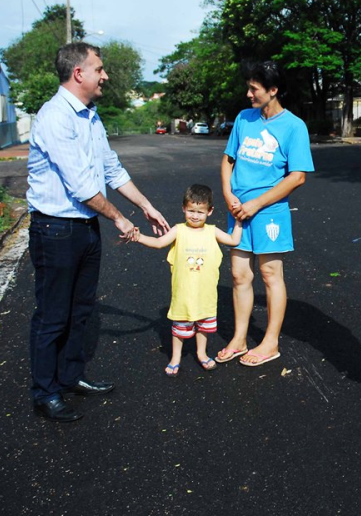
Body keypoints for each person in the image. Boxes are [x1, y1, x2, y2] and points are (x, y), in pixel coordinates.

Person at [27, 42, 170, 423]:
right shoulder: (55, 117)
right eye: (99, 69)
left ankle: (71, 377)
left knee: (81, 311)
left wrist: (146, 206)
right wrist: (120, 219)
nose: (105, 75)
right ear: (79, 73)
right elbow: (80, 187)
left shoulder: (90, 115)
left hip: (84, 228)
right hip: (55, 229)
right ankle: (45, 392)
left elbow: (112, 169)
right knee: (53, 315)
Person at [217, 61, 314, 367]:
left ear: (273, 91)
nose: (248, 94)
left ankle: (270, 342)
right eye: (248, 87)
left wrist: (256, 204)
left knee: (271, 275)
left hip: (268, 212)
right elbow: (227, 161)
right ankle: (239, 338)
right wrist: (228, 194)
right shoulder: (244, 119)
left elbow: (297, 176)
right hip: (238, 209)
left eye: (254, 89)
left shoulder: (294, 126)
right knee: (238, 275)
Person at [132, 184, 242, 377]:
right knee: (179, 329)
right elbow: (158, 243)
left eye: (200, 212)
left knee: (204, 326)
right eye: (191, 210)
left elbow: (233, 241)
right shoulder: (178, 230)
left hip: (205, 295)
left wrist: (239, 221)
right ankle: (175, 358)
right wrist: (138, 237)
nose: (195, 215)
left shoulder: (213, 232)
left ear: (210, 211)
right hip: (183, 294)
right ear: (183, 208)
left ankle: (201, 353)